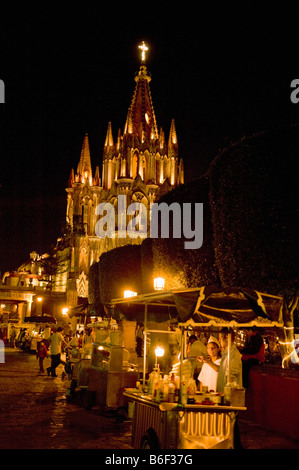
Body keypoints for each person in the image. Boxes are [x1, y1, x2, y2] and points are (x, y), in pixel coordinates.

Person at [216, 328, 242, 393]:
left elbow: (232, 376)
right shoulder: (226, 353)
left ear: (227, 338)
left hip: (229, 394)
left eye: (220, 338)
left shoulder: (234, 354)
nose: (219, 341)